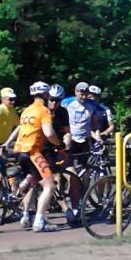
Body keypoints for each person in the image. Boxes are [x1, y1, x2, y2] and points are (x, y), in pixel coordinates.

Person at [14, 81, 65, 232]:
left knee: (34, 181)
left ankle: (25, 214)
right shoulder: (44, 111)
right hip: (33, 152)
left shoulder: (26, 110)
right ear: (45, 94)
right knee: (50, 186)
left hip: (20, 151)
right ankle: (39, 222)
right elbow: (49, 133)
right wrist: (59, 144)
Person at [46, 84, 82, 225]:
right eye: (52, 99)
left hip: (60, 149)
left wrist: (67, 141)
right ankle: (65, 209)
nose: (54, 103)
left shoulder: (63, 112)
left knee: (73, 176)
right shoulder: (43, 112)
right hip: (46, 150)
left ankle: (76, 209)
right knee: (55, 180)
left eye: (58, 100)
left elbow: (67, 131)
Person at [61, 81, 100, 170]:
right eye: (81, 94)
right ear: (76, 92)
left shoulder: (92, 104)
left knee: (85, 166)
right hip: (71, 139)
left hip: (85, 138)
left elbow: (95, 123)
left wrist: (98, 137)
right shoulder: (66, 103)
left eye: (86, 94)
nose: (84, 97)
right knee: (67, 165)